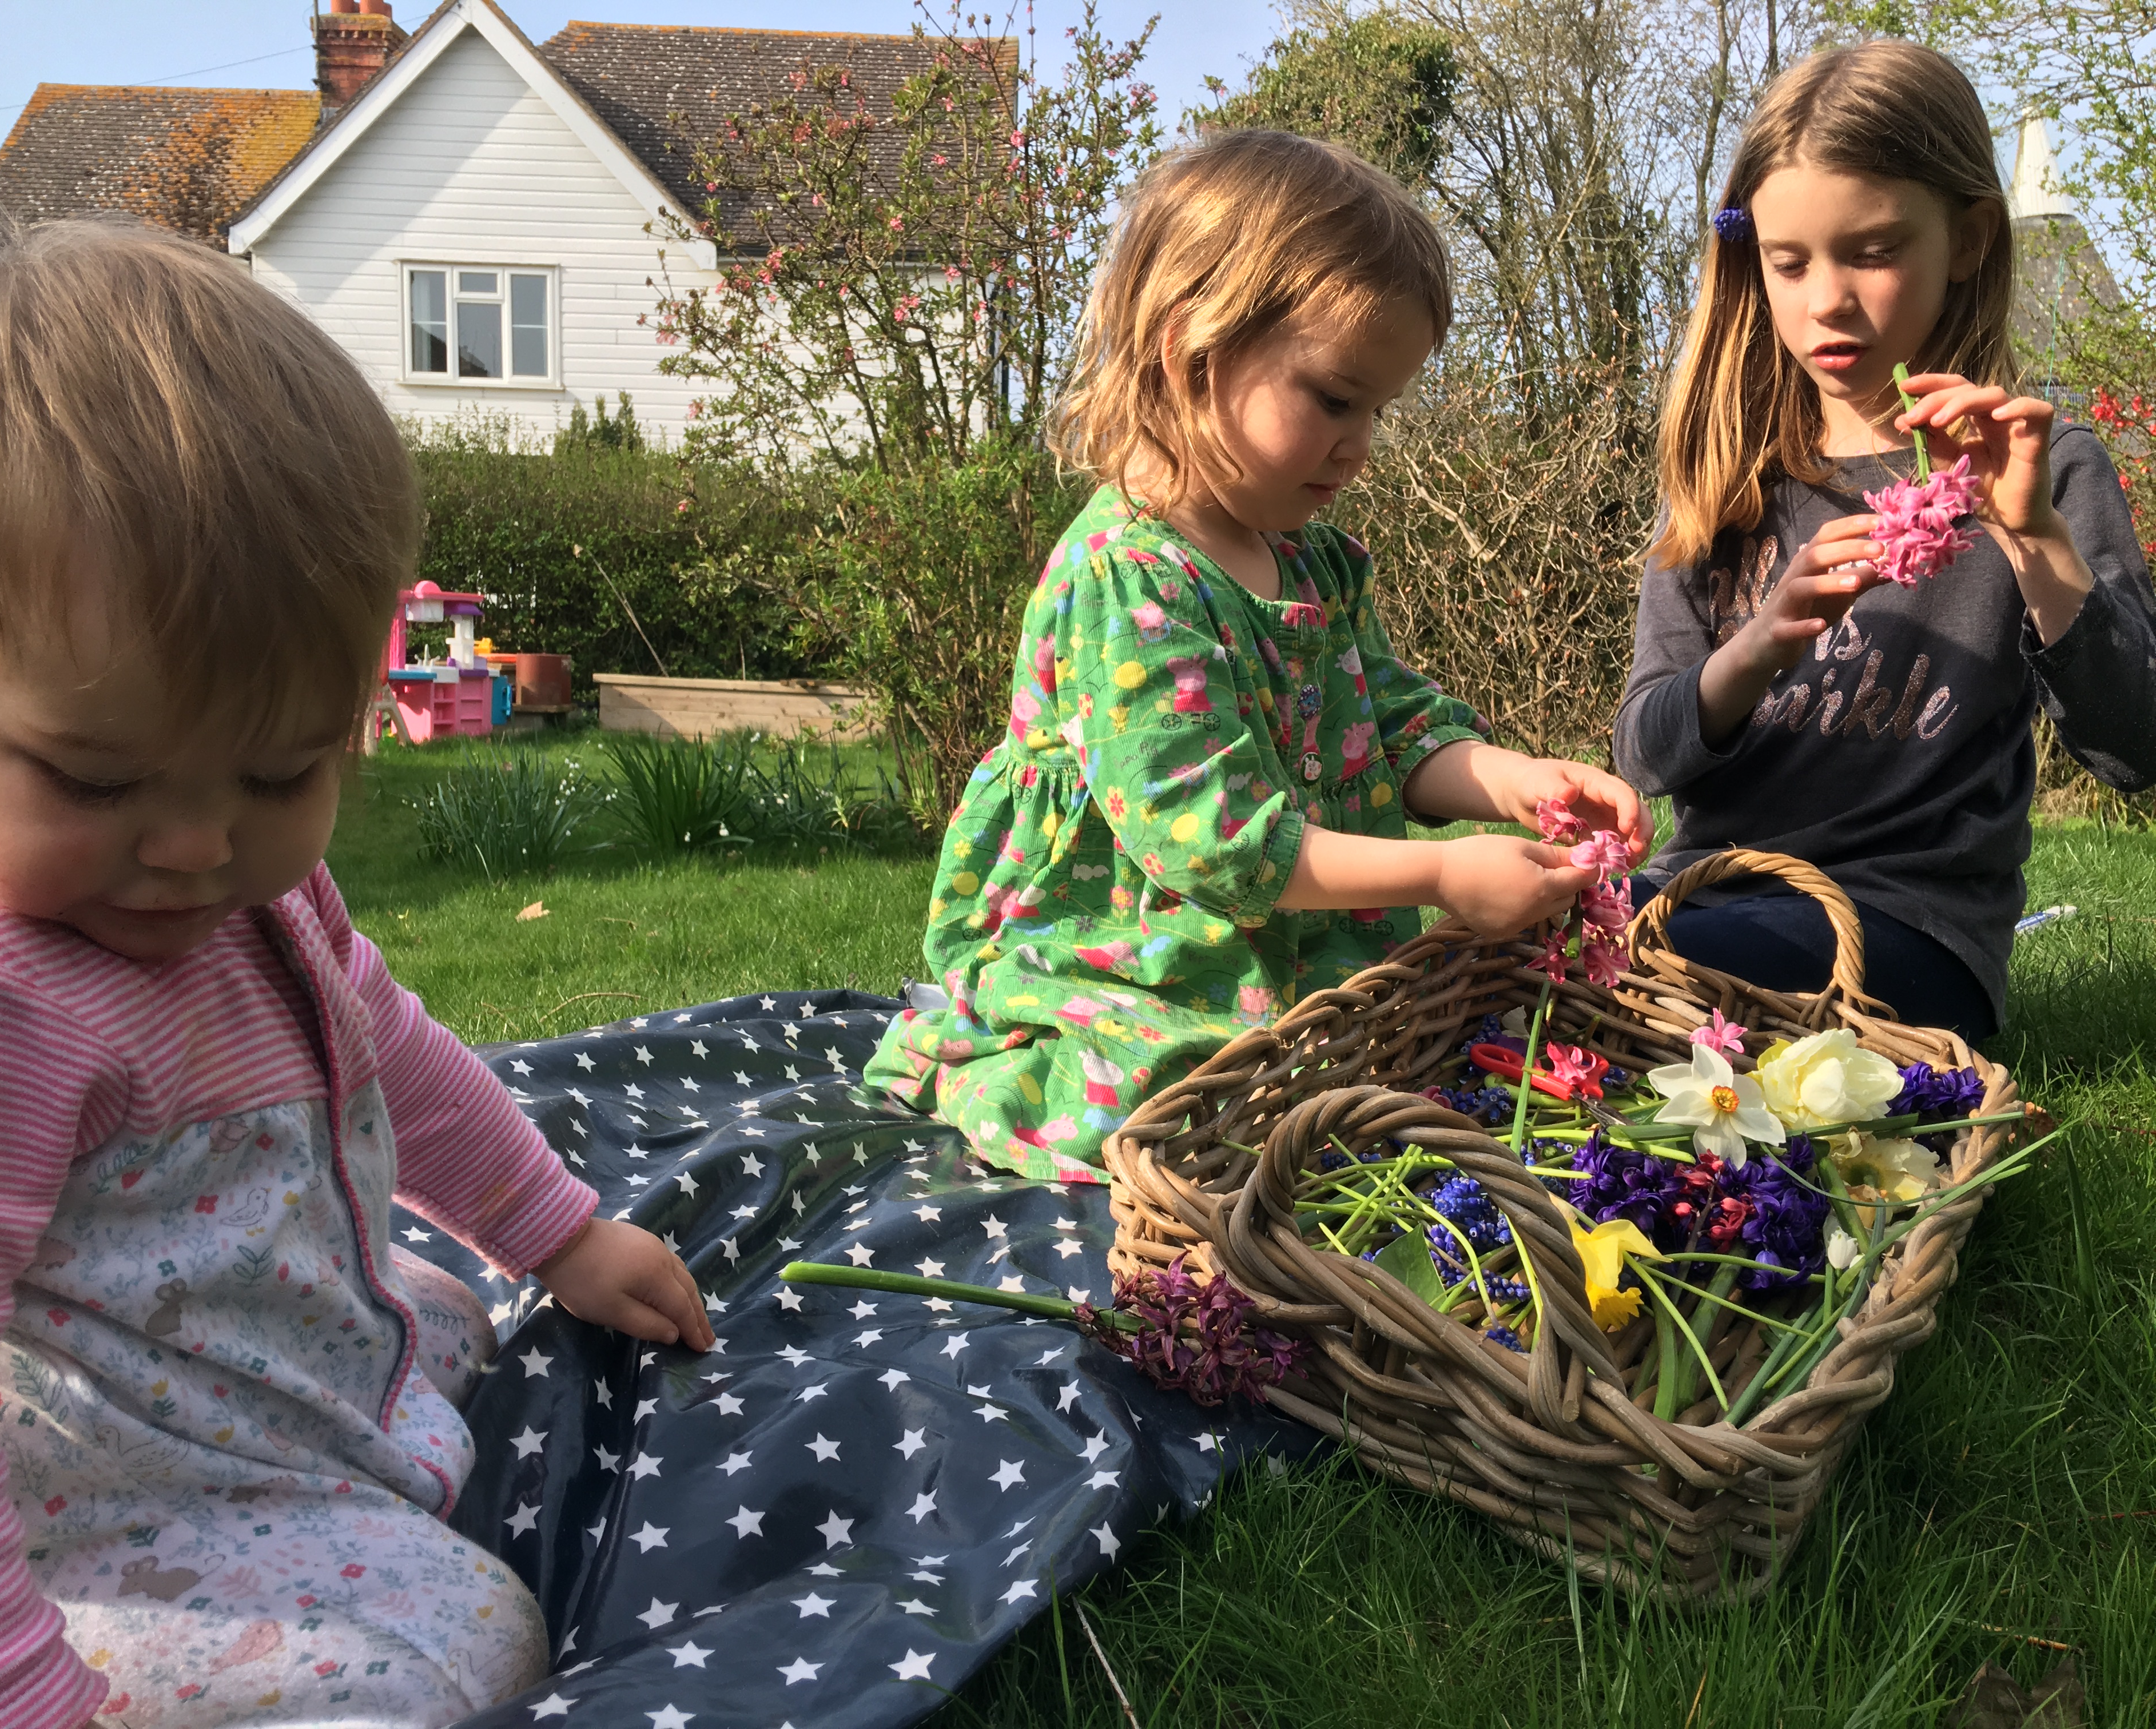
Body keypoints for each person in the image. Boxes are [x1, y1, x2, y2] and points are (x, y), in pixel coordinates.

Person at [0, 222, 712, 1729]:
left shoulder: (251, 886)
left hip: (246, 1359)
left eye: (280, 768)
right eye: (92, 780)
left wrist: (561, 1234)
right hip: (90, 1502)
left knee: (447, 1306)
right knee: (457, 1648)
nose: (193, 847)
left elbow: (392, 1048)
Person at [863, 130, 1652, 1184]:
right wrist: (1442, 875)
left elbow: (1397, 723)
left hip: (1300, 945)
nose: (1360, 444)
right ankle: (1001, 1066)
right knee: (1187, 1105)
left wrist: (1511, 782)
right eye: (1333, 398)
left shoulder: (1317, 561)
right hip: (1149, 953)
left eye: (1378, 408)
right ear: (1194, 352)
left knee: (1402, 1059)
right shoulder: (1129, 579)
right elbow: (1216, 843)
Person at [1616, 41, 2156, 1042]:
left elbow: (2136, 745)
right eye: (1790, 263)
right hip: (1702, 894)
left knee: (1654, 982)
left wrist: (2032, 538)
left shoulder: (2042, 468)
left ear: (1971, 242)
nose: (1828, 299)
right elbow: (1647, 752)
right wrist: (1760, 645)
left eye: (1874, 251)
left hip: (1908, 931)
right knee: (1526, 941)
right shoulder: (1725, 478)